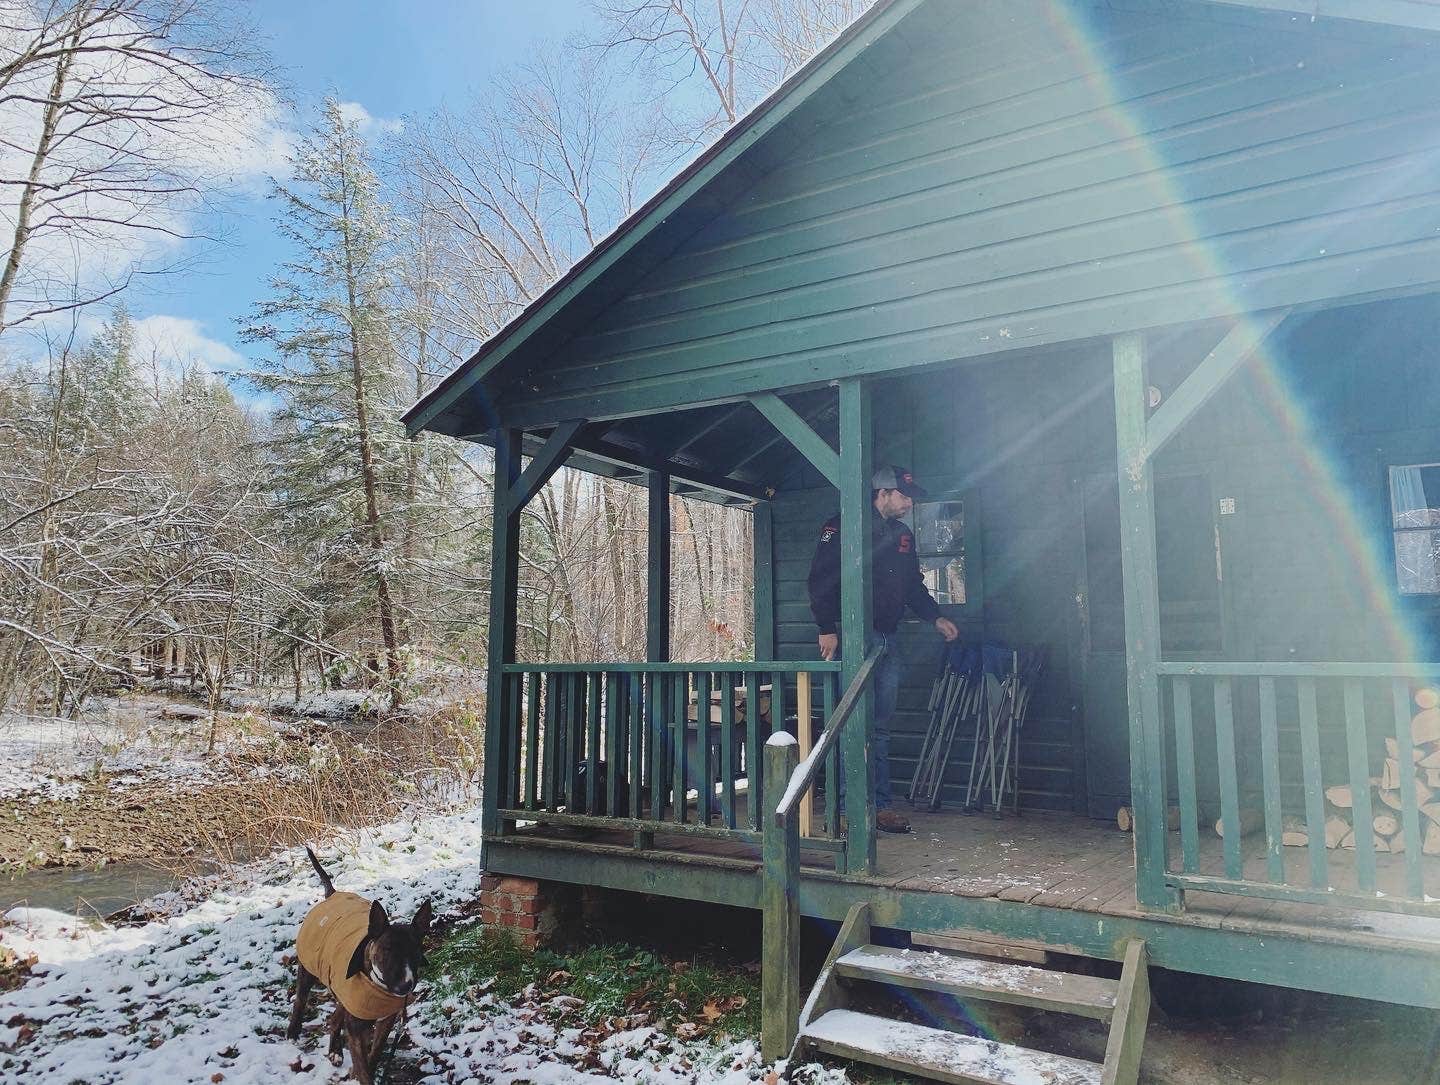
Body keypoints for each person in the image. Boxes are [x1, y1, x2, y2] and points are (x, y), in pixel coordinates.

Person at [806, 465, 959, 833]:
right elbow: (821, 576)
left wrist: (934, 618)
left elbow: (913, 587)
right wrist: (827, 627)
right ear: (883, 494)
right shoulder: (842, 525)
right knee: (849, 723)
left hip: (889, 639)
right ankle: (846, 811)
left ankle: (880, 807)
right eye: (905, 496)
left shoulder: (903, 536)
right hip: (854, 636)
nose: (910, 502)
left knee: (881, 727)